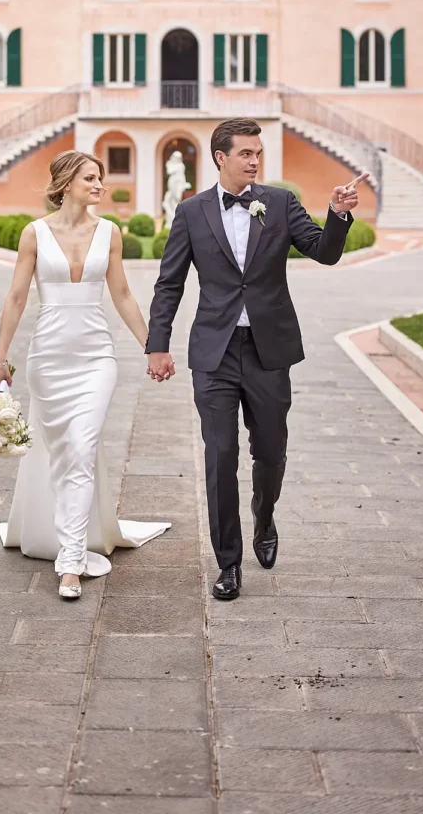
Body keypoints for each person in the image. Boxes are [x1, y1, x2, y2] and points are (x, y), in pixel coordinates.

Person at [145, 117, 366, 602]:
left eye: (257, 154)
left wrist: (338, 214)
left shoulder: (281, 203)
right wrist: (157, 344)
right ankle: (228, 562)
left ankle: (264, 515)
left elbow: (323, 253)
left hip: (269, 352)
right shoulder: (191, 211)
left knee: (270, 451)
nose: (254, 160)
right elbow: (170, 283)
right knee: (220, 454)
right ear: (221, 158)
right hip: (215, 353)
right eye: (246, 153)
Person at [0, 150, 170, 600]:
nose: (100, 185)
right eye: (91, 177)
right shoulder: (34, 234)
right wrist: (0, 357)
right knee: (62, 454)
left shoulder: (109, 233)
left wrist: (152, 346)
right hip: (47, 360)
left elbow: (124, 294)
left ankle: (70, 561)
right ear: (67, 181)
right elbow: (15, 299)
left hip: (96, 359)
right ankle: (58, 533)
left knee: (82, 446)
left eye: (101, 177)